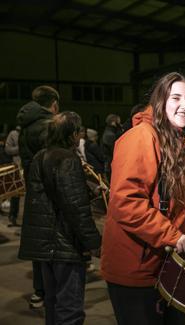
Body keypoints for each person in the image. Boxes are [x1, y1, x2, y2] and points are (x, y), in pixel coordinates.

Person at [100, 72, 185, 325]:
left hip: (176, 268)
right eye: (176, 97)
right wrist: (172, 236)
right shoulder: (141, 137)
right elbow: (127, 202)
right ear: (161, 101)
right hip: (139, 270)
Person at [18, 111, 102, 325]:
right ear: (72, 134)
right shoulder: (67, 159)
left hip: (46, 246)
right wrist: (94, 243)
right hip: (64, 245)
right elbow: (75, 207)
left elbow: (54, 194)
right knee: (70, 311)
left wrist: (89, 190)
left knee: (53, 306)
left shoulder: (41, 155)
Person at [17, 85, 60, 309]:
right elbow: (53, 162)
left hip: (33, 188)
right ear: (54, 104)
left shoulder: (26, 126)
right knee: (51, 239)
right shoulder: (47, 126)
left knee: (38, 238)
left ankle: (39, 290)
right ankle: (47, 291)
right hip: (48, 190)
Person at [4, 126, 22, 227]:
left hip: (28, 166)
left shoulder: (28, 132)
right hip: (16, 166)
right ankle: (13, 217)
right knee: (15, 193)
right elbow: (8, 149)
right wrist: (21, 148)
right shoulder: (13, 134)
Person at [101, 113, 122, 178]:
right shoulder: (110, 135)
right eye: (118, 122)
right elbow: (114, 150)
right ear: (113, 122)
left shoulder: (109, 133)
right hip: (110, 165)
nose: (120, 124)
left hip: (110, 164)